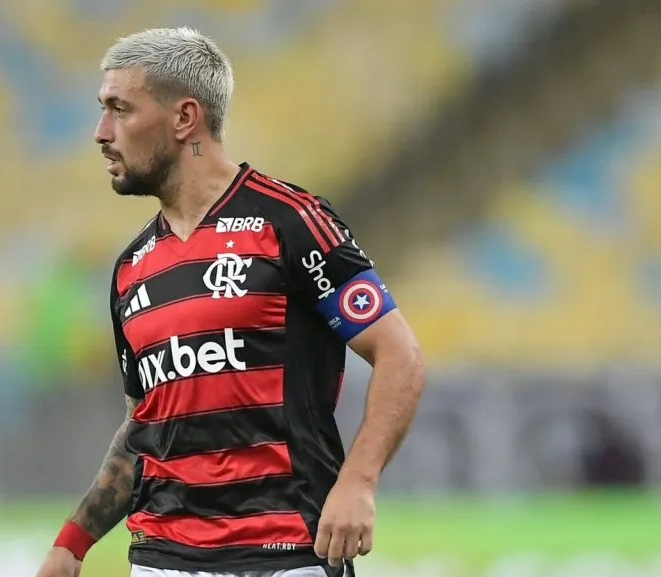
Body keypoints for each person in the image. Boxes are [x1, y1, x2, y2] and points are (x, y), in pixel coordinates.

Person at [35, 27, 426, 577]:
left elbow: (399, 355)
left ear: (183, 118)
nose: (102, 132)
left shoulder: (290, 222)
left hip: (285, 552)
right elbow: (144, 425)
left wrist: (359, 481)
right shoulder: (131, 268)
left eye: (120, 109)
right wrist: (73, 540)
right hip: (160, 559)